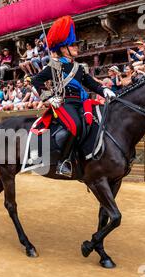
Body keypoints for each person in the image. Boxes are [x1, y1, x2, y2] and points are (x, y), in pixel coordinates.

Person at [32, 16, 115, 176]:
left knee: (94, 123)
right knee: (75, 125)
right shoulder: (55, 65)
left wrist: (104, 90)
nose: (76, 47)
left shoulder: (80, 67)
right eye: (73, 45)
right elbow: (36, 80)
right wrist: (49, 98)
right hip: (64, 103)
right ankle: (63, 161)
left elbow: (91, 83)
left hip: (82, 103)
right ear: (64, 48)